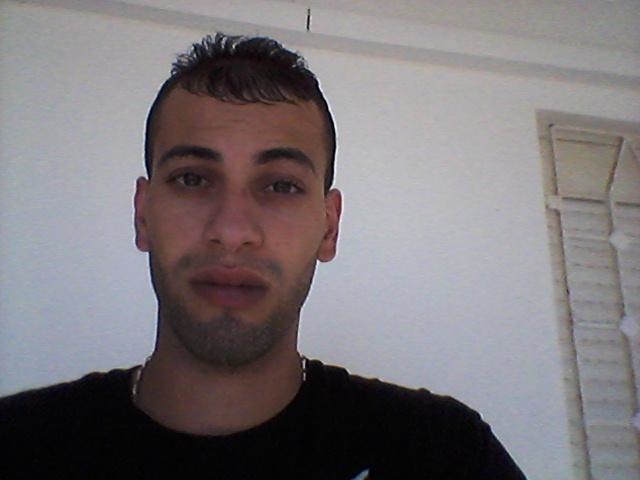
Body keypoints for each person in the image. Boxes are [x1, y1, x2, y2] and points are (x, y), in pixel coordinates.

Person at [0, 33, 526, 479]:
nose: (232, 231)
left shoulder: (445, 453)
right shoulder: (16, 443)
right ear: (143, 214)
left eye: (280, 185)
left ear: (329, 226)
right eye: (192, 179)